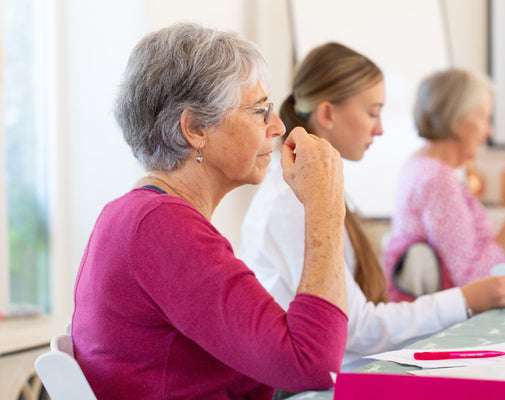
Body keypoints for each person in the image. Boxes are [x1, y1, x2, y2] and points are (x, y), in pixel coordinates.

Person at [71, 23, 350, 400]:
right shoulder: (160, 227)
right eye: (258, 111)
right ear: (195, 128)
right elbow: (313, 363)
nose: (278, 126)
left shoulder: (136, 214)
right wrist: (325, 205)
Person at [238, 43, 505, 371]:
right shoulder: (291, 204)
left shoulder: (309, 192)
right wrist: (464, 300)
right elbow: (357, 328)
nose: (381, 128)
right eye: (372, 112)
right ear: (327, 114)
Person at [384, 68, 505, 303]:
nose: (489, 131)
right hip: (455, 308)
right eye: (484, 118)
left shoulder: (418, 164)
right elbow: (473, 281)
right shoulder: (438, 179)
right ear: (458, 120)